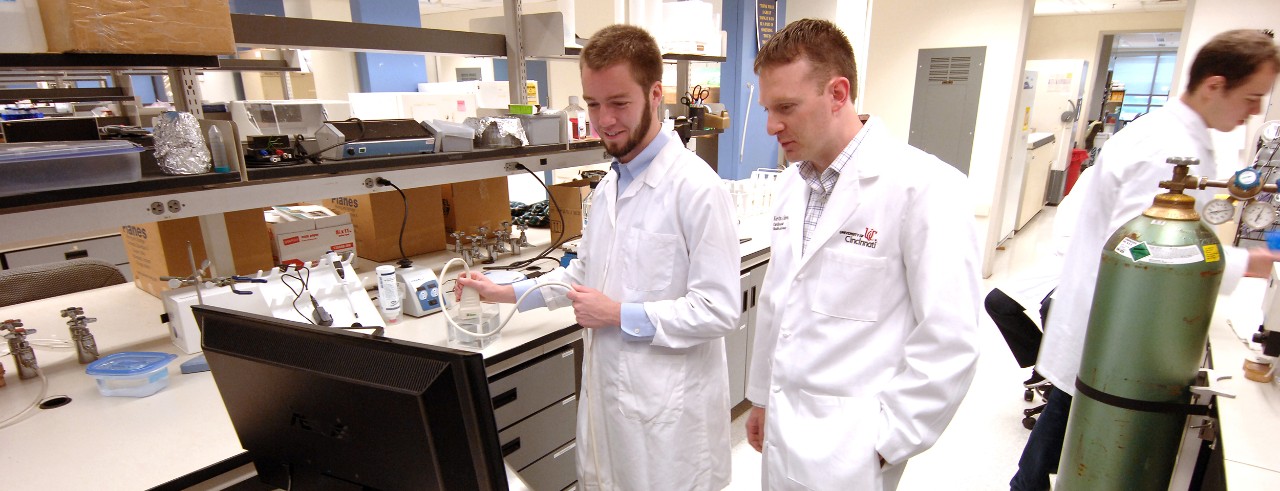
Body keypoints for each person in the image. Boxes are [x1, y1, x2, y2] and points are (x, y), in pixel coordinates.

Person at [456, 24, 740, 491]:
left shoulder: (696, 189)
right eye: (592, 103)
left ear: (654, 95)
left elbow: (719, 308)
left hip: (670, 424)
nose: (603, 119)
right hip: (613, 410)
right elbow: (584, 276)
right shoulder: (610, 187)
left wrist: (618, 314)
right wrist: (503, 291)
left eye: (618, 103)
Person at [1013, 29, 1280, 491]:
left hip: (1113, 330)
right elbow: (1140, 249)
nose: (1255, 111)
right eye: (1252, 97)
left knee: (1052, 446)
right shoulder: (1166, 149)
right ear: (1215, 85)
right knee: (1060, 452)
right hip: (1113, 333)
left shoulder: (1177, 135)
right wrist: (1243, 264)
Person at [744, 18, 981, 490]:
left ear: (837, 93)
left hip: (853, 447)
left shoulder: (926, 188)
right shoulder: (794, 184)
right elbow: (777, 302)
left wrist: (885, 442)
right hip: (784, 425)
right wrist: (760, 396)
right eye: (769, 108)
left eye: (786, 107)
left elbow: (951, 338)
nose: (772, 126)